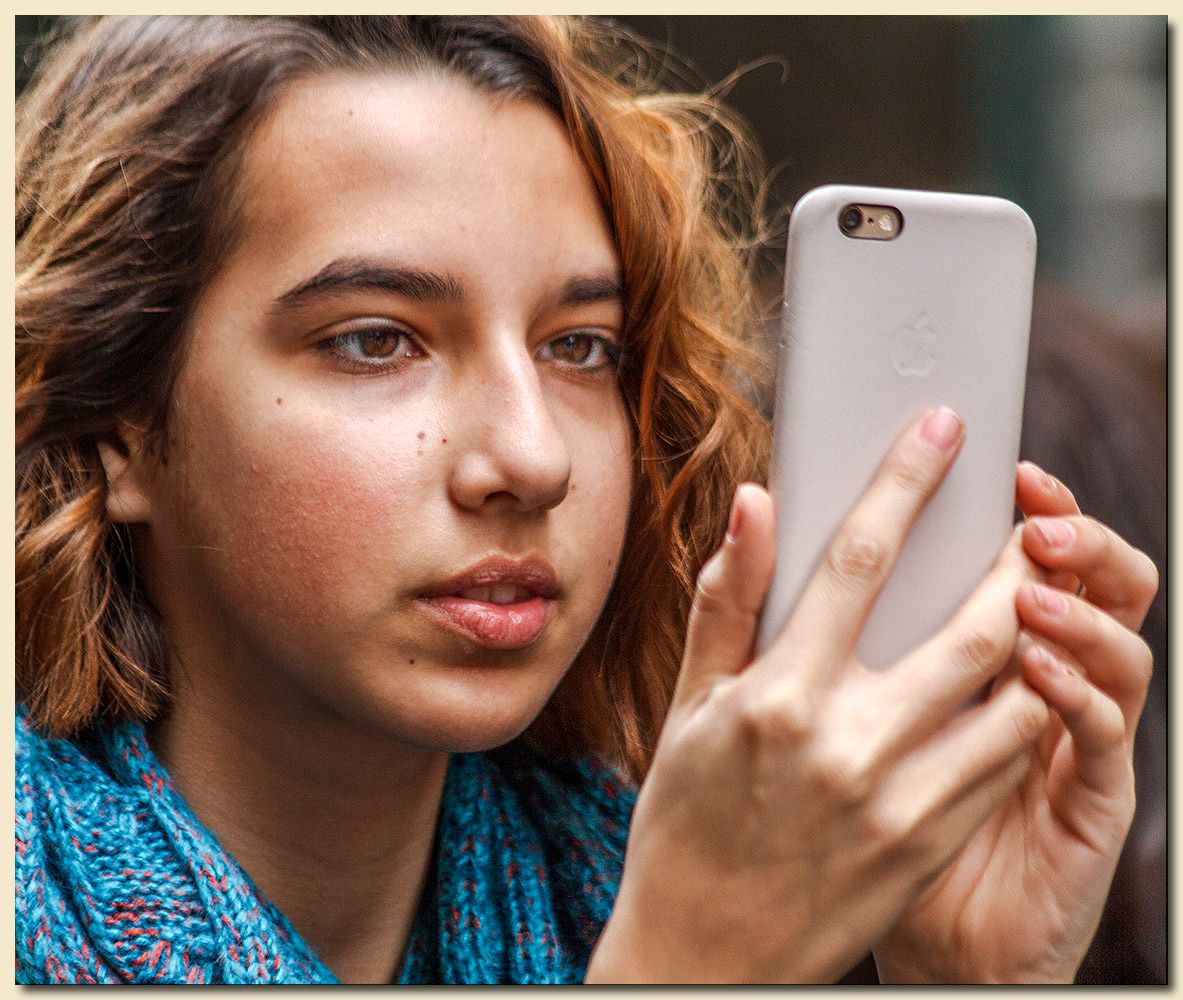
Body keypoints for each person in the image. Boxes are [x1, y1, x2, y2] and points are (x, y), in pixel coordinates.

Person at [15, 15, 1159, 985]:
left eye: (580, 347)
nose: (530, 456)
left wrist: (944, 987)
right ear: (117, 423)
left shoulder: (641, 874)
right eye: (375, 340)